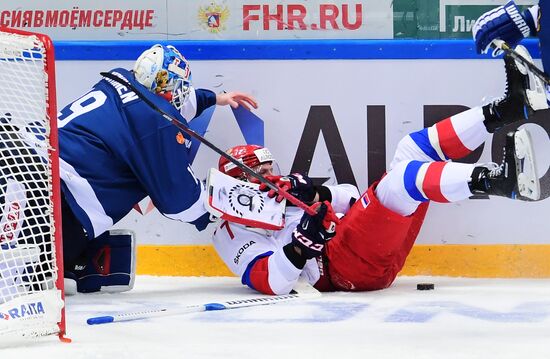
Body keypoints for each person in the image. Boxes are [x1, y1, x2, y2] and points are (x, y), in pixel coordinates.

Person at [211, 47, 546, 295]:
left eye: (271, 169)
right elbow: (273, 282)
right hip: (339, 267)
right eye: (261, 173)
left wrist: (315, 193)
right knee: (401, 181)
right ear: (239, 182)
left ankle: (509, 107)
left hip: (357, 245)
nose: (271, 177)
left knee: (410, 150)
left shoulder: (278, 192)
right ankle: (501, 181)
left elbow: (353, 197)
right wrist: (302, 244)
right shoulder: (228, 233)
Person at [56, 44, 257, 293]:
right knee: (34, 278)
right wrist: (225, 207)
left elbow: (168, 100)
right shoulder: (154, 122)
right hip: (58, 201)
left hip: (30, 164)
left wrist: (215, 98)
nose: (183, 94)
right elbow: (180, 201)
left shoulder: (121, 81)